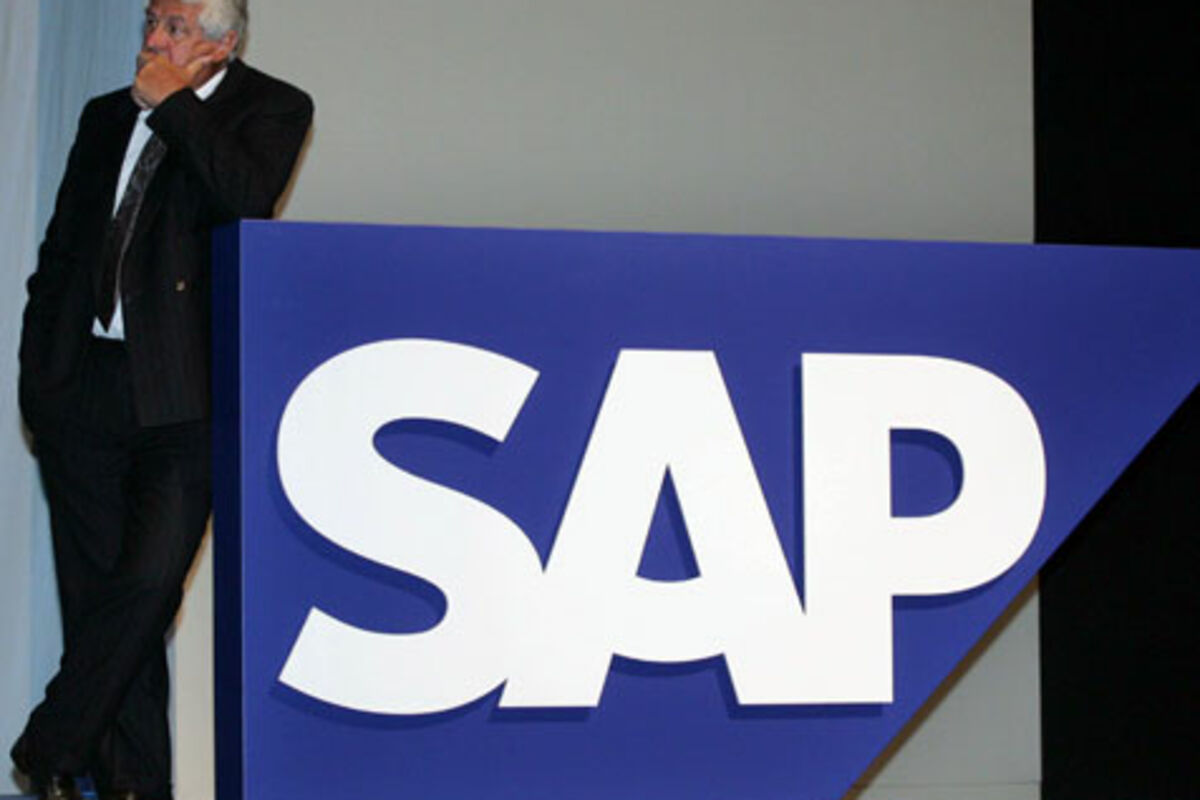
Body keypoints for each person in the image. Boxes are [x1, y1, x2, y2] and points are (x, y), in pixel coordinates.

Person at [10, 1, 312, 798]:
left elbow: (245, 197)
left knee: (146, 589)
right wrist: (40, 372)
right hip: (81, 385)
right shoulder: (105, 115)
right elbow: (63, 248)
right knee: (100, 606)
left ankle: (50, 744)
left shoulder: (273, 107)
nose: (152, 39)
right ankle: (130, 787)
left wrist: (175, 105)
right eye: (151, 19)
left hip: (183, 394)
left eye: (174, 26)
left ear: (223, 41)